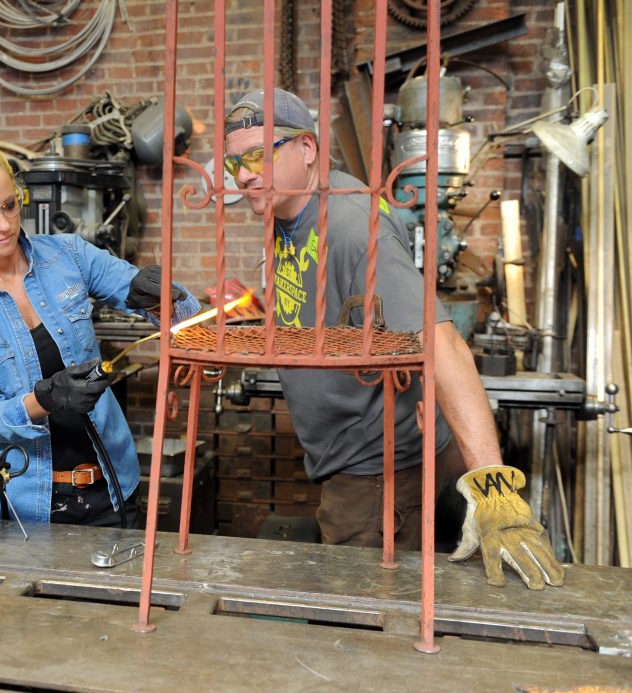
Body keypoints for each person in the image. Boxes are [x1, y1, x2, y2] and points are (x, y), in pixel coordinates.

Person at [223, 88, 564, 590]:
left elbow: (441, 342)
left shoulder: (353, 225)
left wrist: (493, 487)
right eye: (234, 163)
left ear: (308, 149)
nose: (245, 174)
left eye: (258, 155)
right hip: (349, 459)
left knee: (361, 620)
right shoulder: (285, 212)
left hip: (375, 471)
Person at [0, 135, 200, 527]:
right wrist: (47, 398)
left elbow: (171, 312)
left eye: (9, 205)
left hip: (112, 487)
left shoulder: (67, 255)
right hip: (26, 506)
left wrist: (162, 297)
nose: (4, 225)